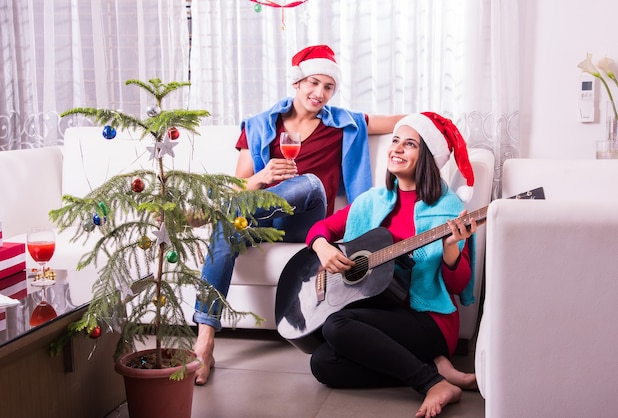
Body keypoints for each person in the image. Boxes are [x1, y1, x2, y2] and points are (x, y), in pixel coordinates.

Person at [193, 44, 405, 385]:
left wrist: (440, 122)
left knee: (307, 182)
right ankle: (204, 341)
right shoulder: (260, 125)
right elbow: (238, 187)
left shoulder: (345, 124)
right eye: (313, 83)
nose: (320, 93)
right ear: (297, 83)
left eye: (328, 87)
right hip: (261, 219)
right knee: (226, 221)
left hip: (307, 220)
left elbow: (402, 123)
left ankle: (209, 210)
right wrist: (261, 178)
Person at [304, 112, 478, 418]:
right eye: (395, 140)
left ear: (427, 156)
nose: (396, 148)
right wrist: (322, 247)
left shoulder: (447, 209)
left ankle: (433, 383)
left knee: (336, 325)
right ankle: (431, 364)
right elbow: (321, 229)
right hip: (384, 312)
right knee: (322, 363)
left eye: (409, 144)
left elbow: (457, 285)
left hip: (429, 319)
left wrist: (451, 251)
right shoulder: (373, 200)